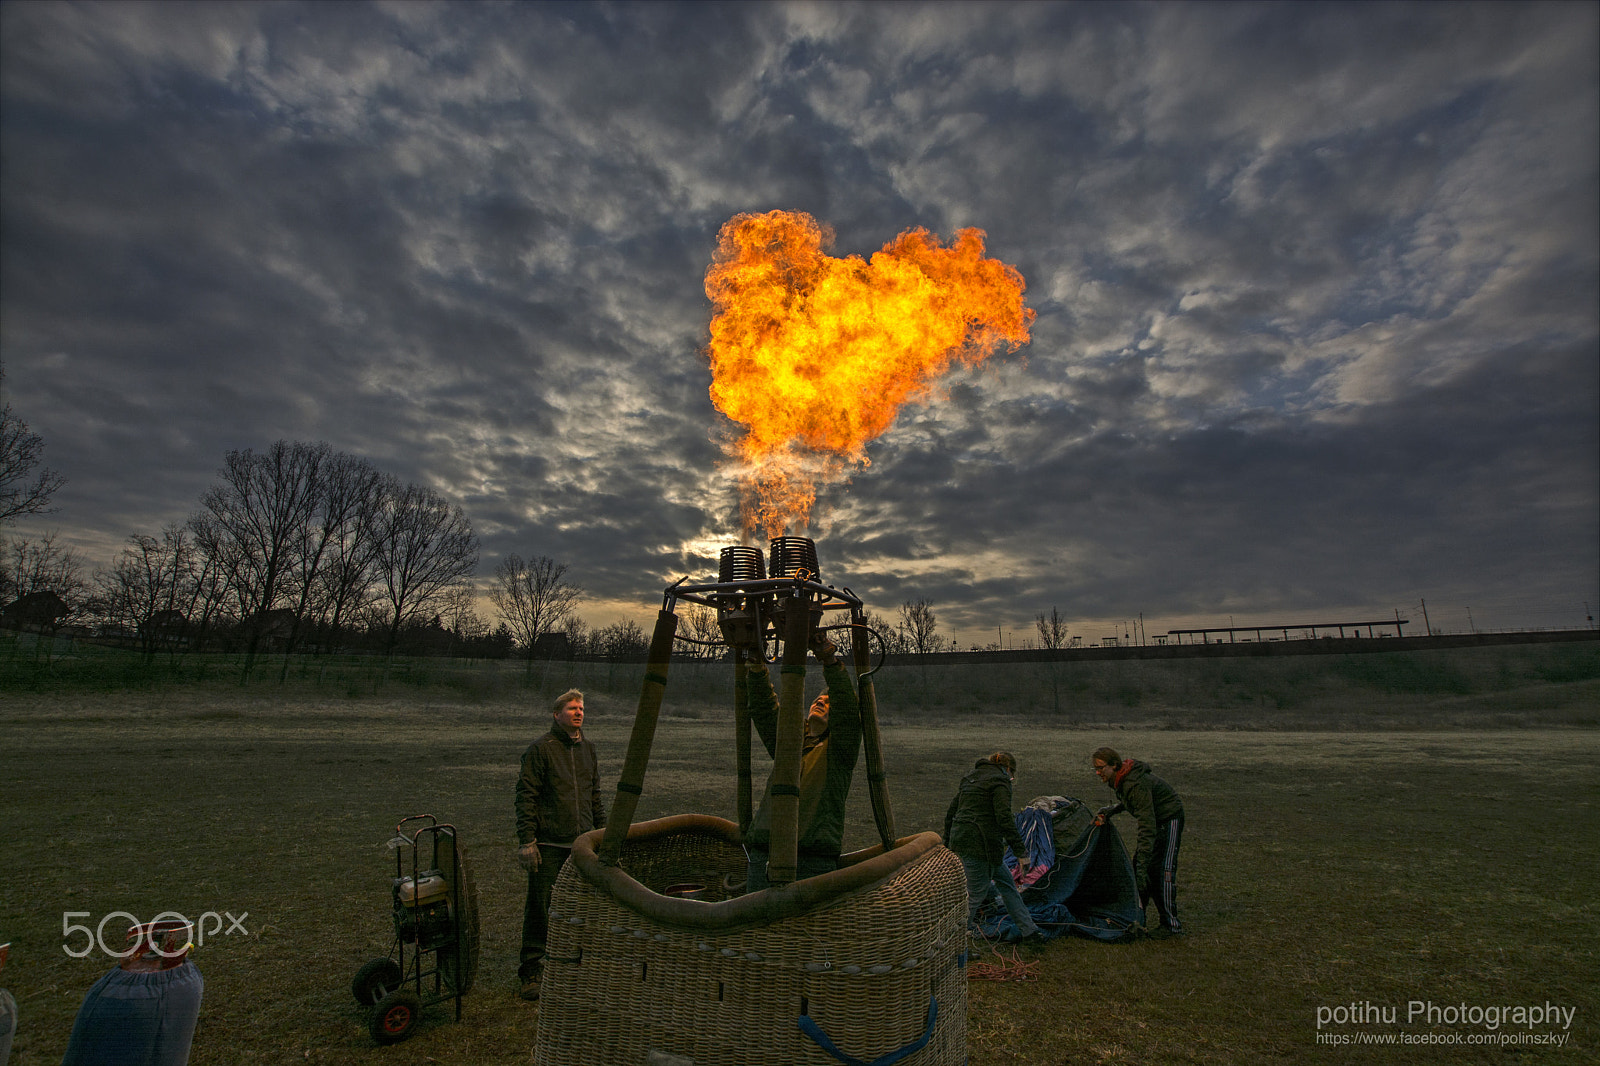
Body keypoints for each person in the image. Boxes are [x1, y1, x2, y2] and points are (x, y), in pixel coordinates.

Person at [741, 631, 862, 890]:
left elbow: (848, 711)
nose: (821, 701)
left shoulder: (839, 752)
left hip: (809, 862)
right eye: (818, 699)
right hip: (763, 855)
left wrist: (828, 659)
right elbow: (764, 708)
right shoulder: (789, 744)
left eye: (828, 701)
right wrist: (755, 664)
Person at [515, 689, 607, 1000]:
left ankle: (574, 965)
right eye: (571, 708)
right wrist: (528, 841)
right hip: (550, 844)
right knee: (541, 907)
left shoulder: (589, 750)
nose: (578, 712)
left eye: (581, 708)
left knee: (581, 907)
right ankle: (531, 970)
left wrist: (604, 835)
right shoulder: (541, 750)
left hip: (582, 845)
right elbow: (526, 797)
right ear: (557, 715)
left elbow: (594, 796)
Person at [943, 751, 1045, 943]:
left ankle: (1029, 932)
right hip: (981, 847)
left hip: (968, 842)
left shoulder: (970, 779)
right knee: (973, 896)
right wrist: (1020, 851)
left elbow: (951, 813)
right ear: (1008, 769)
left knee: (1007, 886)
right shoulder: (1000, 782)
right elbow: (1004, 818)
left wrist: (947, 844)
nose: (1011, 779)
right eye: (1012, 775)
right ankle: (952, 944)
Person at [1092, 746, 1185, 937]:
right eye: (1096, 768)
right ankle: (1138, 920)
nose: (1097, 772)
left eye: (1101, 768)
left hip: (1168, 819)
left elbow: (1147, 825)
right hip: (1156, 822)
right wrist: (1113, 810)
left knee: (1162, 871)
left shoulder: (1135, 784)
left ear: (1114, 765)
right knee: (1142, 870)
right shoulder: (1123, 781)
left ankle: (1171, 926)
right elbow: (1131, 801)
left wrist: (1143, 863)